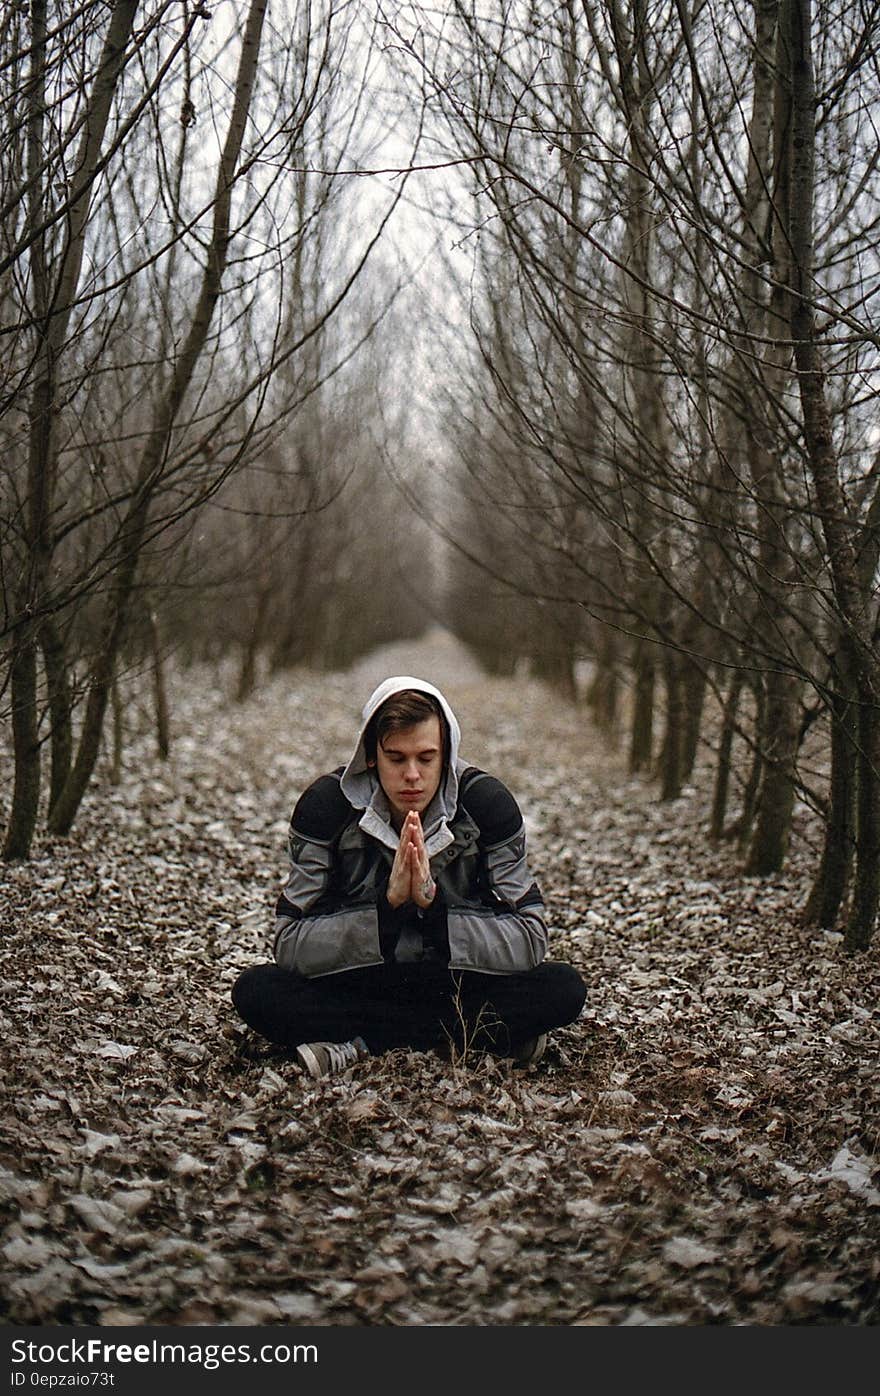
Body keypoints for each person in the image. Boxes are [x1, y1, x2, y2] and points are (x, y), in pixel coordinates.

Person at [232, 676, 586, 1078]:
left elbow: (530, 939)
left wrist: (434, 911)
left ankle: (361, 1043)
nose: (413, 775)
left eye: (427, 758)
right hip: (360, 983)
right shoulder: (325, 808)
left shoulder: (488, 805)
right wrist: (387, 910)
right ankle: (474, 1040)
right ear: (370, 757)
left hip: (456, 985)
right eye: (397, 759)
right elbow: (290, 945)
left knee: (563, 987)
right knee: (257, 990)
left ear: (447, 754)